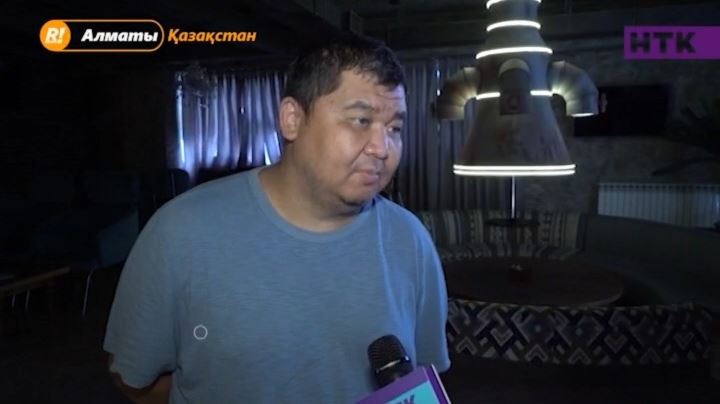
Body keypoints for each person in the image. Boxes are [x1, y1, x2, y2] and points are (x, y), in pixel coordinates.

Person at [104, 37, 450, 404]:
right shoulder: (179, 232)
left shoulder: (411, 240)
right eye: (361, 120)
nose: (382, 148)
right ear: (292, 119)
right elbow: (133, 379)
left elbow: (423, 379)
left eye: (394, 128)